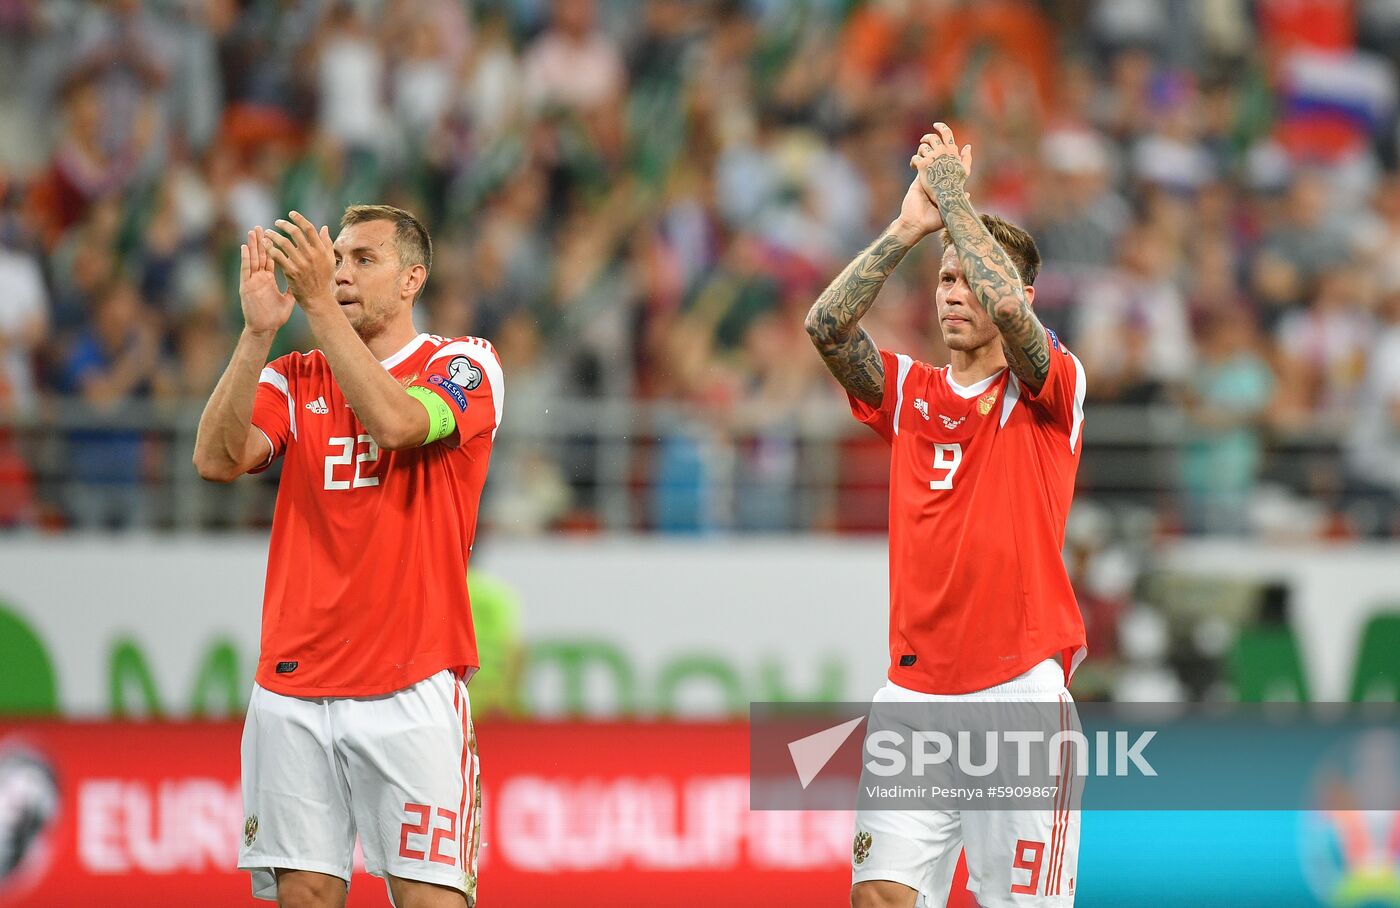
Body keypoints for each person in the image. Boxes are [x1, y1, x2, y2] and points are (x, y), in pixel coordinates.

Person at [805, 123, 1087, 907]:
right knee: (879, 896)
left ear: (1024, 299)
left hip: (1020, 694)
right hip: (915, 697)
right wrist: (908, 228)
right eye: (946, 279)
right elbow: (826, 327)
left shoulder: (1052, 390)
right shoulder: (909, 392)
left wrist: (955, 194)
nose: (956, 293)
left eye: (971, 279)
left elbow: (1007, 302)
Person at [193, 204, 503, 908]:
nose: (341, 275)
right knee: (304, 896)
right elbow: (215, 459)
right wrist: (257, 334)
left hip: (412, 684)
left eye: (364, 260)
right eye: (337, 262)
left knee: (430, 901)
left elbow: (398, 424)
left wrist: (316, 310)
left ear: (411, 280)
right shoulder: (294, 377)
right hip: (293, 688)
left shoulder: (465, 363)